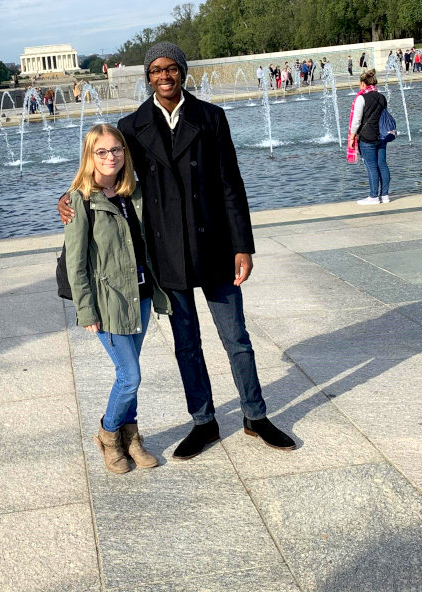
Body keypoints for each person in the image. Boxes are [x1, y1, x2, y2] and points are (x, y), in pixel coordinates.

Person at [59, 42, 295, 457]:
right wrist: (68, 195)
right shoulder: (131, 127)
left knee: (236, 338)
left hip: (215, 246)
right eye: (156, 70)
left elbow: (230, 185)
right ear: (147, 76)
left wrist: (243, 245)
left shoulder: (211, 118)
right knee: (187, 344)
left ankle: (255, 415)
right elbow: (104, 166)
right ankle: (203, 421)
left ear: (182, 72)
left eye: (171, 68)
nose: (164, 76)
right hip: (167, 252)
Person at [64, 123, 171, 474]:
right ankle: (109, 435)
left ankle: (132, 438)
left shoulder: (133, 193)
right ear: (89, 157)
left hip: (138, 296)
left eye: (117, 150)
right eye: (102, 152)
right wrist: (85, 310)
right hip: (108, 304)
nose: (111, 157)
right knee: (131, 375)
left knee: (129, 371)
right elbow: (76, 263)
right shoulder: (81, 201)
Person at [347, 68, 390, 205]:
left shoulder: (361, 98)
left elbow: (356, 120)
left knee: (371, 166)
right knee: (382, 165)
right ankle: (385, 195)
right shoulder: (381, 97)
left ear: (363, 83)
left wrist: (352, 137)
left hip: (367, 137)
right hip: (382, 135)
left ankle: (373, 197)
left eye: (360, 83)